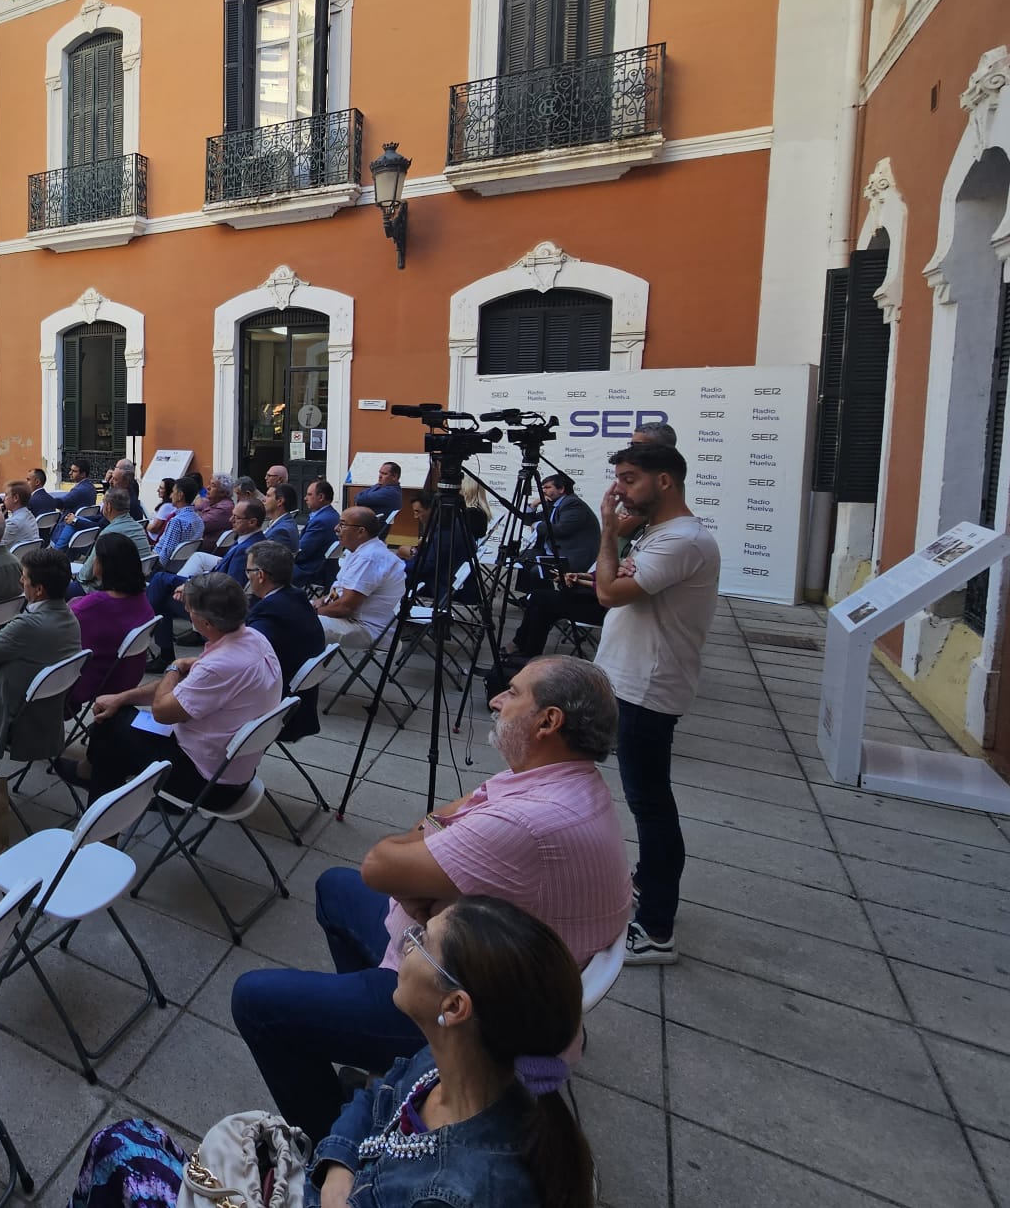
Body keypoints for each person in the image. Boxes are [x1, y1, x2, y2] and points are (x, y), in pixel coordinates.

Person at [230, 656, 631, 1142]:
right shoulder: (563, 779)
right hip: (468, 956)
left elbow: (379, 863)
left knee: (254, 999)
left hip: (466, 1017)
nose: (497, 701)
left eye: (514, 692)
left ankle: (333, 1142)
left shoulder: (529, 822)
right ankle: (371, 1037)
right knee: (334, 887)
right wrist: (422, 881)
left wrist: (420, 877)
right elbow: (441, 821)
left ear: (549, 721)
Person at [72, 895, 593, 1208]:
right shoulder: (453, 1063)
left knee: (120, 1150)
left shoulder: (458, 1189)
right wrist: (339, 1171)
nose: (404, 941)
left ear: (455, 1006)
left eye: (420, 941)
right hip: (335, 1187)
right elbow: (375, 1096)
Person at [593, 442, 719, 965]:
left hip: (649, 687)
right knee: (647, 799)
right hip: (632, 681)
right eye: (619, 478)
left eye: (629, 478)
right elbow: (611, 580)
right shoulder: (656, 534)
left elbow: (609, 593)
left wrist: (608, 534)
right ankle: (646, 883)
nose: (618, 489)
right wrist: (619, 548)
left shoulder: (683, 540)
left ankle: (657, 930)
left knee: (651, 806)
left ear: (664, 481)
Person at [79, 573, 283, 807]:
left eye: (190, 611)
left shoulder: (220, 666)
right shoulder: (254, 639)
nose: (187, 614)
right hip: (230, 770)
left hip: (207, 783)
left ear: (207, 623)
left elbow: (162, 711)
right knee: (117, 721)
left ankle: (103, 823)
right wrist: (122, 697)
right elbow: (183, 686)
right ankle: (111, 787)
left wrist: (173, 666)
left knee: (110, 727)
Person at [0, 547, 82, 764]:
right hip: (46, 715)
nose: (20, 582)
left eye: (23, 578)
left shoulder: (28, 625)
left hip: (10, 719)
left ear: (39, 589)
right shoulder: (69, 616)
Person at [144, 498, 266, 671]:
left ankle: (149, 633)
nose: (230, 520)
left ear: (252, 522)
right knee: (161, 585)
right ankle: (151, 634)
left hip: (217, 607)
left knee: (160, 584)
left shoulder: (245, 550)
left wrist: (191, 586)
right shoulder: (251, 540)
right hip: (211, 587)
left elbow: (229, 589)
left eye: (236, 518)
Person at [244, 540, 326, 735]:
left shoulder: (270, 612)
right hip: (299, 703)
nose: (246, 576)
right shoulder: (296, 597)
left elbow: (244, 658)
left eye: (248, 571)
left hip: (275, 710)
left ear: (260, 575)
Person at [69, 532, 155, 704]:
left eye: (95, 556)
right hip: (127, 676)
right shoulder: (140, 598)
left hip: (90, 683)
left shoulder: (93, 606)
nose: (93, 561)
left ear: (104, 564)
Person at [315, 506, 408, 651]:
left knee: (295, 623)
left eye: (343, 524)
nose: (336, 528)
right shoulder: (361, 550)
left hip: (365, 629)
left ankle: (286, 671)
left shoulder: (369, 558)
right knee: (286, 610)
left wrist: (310, 613)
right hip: (352, 620)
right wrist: (320, 601)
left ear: (361, 531)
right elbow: (340, 590)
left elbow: (345, 607)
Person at [516, 472, 599, 590]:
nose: (543, 491)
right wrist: (534, 504)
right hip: (555, 552)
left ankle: (544, 599)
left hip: (571, 555)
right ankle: (530, 596)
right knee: (524, 557)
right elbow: (527, 521)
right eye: (542, 488)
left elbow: (561, 529)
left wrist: (537, 524)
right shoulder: (554, 505)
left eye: (548, 487)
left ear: (561, 489)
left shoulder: (572, 504)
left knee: (537, 570)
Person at [76, 486, 152, 586]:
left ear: (108, 507)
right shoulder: (139, 527)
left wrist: (78, 578)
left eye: (103, 502)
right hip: (136, 583)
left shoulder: (108, 533)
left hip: (114, 587)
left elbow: (87, 574)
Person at [151, 473, 205, 572]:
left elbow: (165, 555)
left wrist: (151, 568)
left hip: (163, 568)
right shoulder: (199, 520)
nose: (170, 495)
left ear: (180, 495)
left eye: (173, 492)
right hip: (184, 566)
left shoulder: (177, 522)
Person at [293, 479, 341, 589]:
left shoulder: (321, 521)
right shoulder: (332, 514)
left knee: (269, 570)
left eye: (309, 495)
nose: (305, 498)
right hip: (325, 566)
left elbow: (301, 553)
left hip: (311, 570)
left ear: (321, 497)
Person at [195, 473, 236, 543]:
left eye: (213, 485)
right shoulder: (212, 501)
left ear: (223, 492)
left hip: (206, 549)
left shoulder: (225, 508)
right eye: (209, 484)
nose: (208, 487)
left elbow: (197, 525)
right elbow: (194, 508)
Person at [0, 479, 41, 549]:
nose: (3, 499)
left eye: (6, 495)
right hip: (30, 556)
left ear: (15, 498)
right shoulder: (29, 515)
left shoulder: (13, 523)